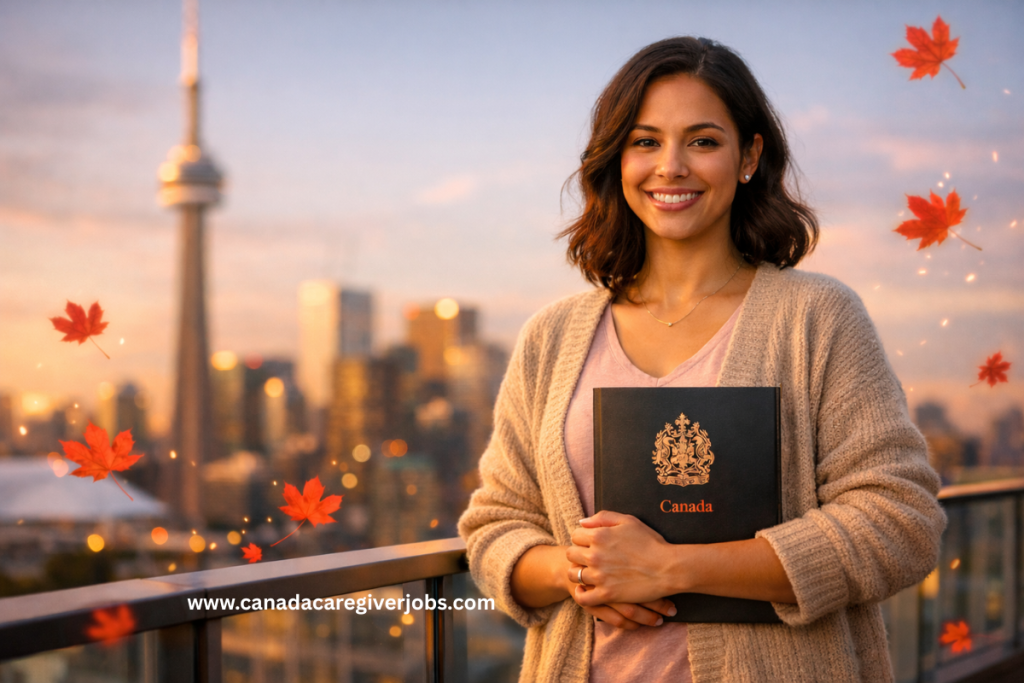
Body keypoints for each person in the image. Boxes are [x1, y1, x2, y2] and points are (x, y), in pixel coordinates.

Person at [457, 36, 945, 682]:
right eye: (645, 141)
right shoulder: (552, 336)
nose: (672, 166)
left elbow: (900, 521)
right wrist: (584, 573)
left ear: (749, 156)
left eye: (704, 141)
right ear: (616, 159)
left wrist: (673, 567)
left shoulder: (817, 318)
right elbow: (495, 524)